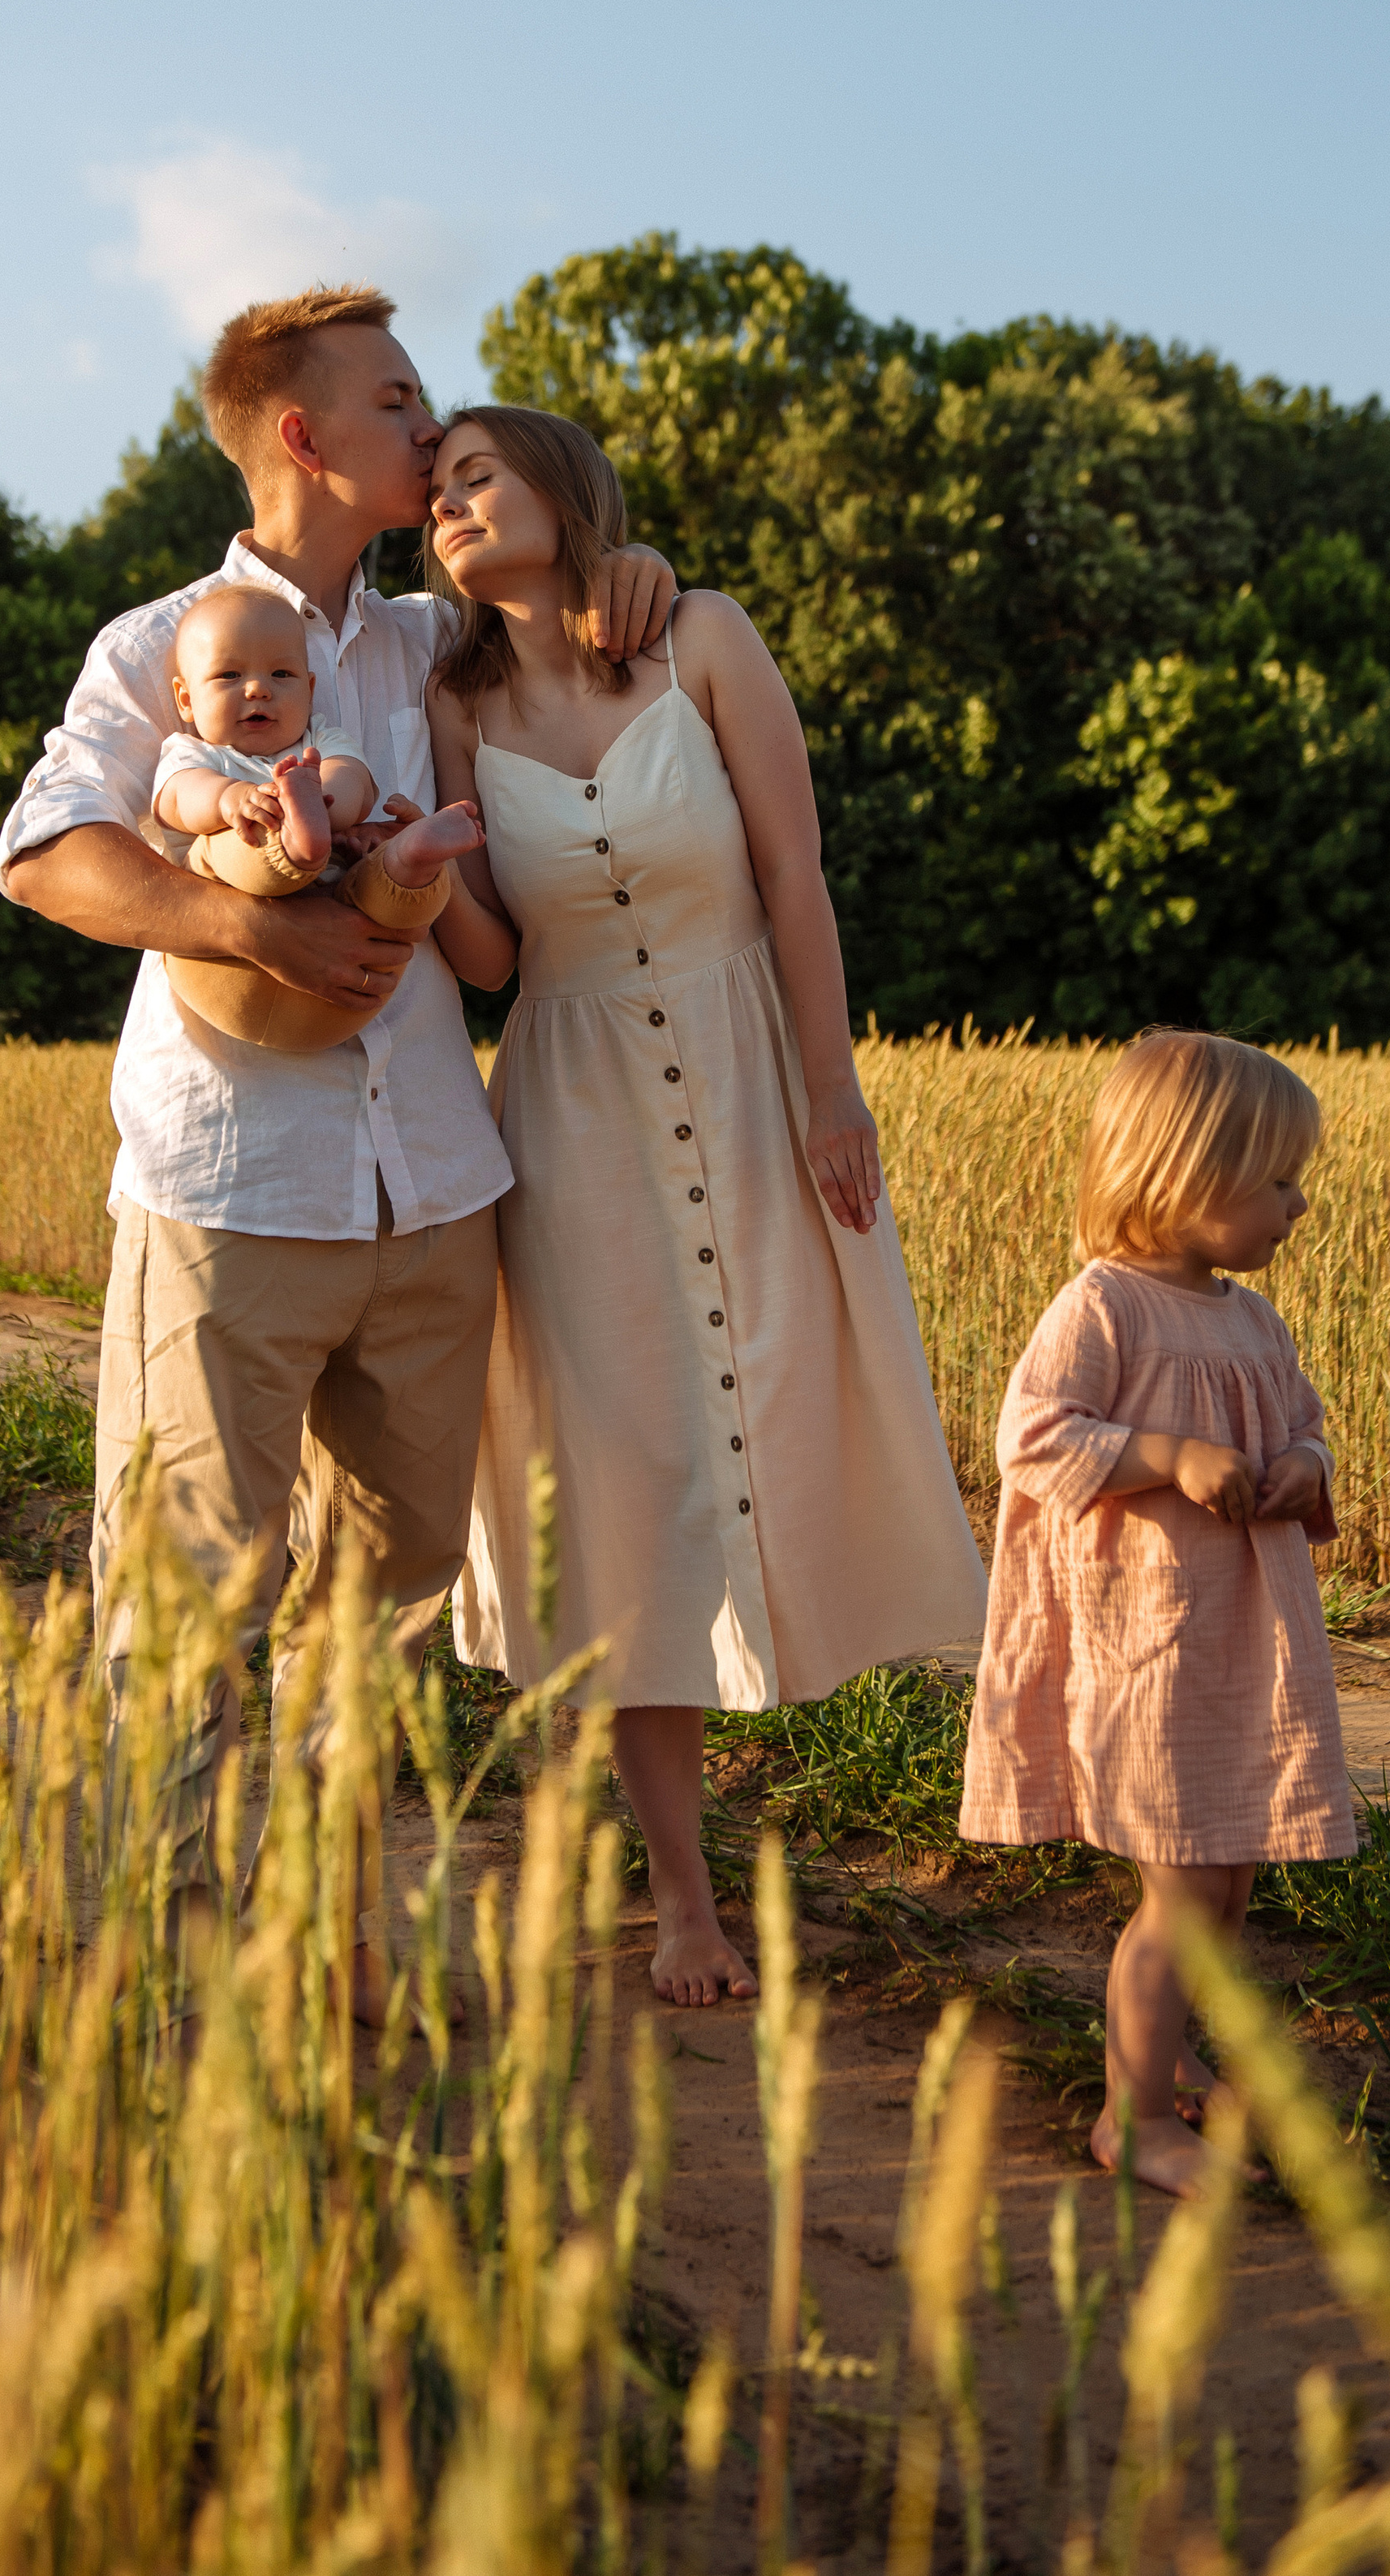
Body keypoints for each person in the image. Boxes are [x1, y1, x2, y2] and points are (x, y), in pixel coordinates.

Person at [0, 290, 674, 2008]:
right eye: (395, 400)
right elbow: (47, 853)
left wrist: (625, 573)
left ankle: (333, 1930)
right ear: (302, 435)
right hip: (230, 1188)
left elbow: (577, 643)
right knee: (190, 1590)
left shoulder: (428, 649)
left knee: (380, 1602)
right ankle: (172, 1960)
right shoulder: (165, 639)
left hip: (434, 1189)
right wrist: (248, 937)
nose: (427, 424)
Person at [417, 404, 989, 2010]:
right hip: (568, 1118)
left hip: (750, 1078)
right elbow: (488, 961)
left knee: (800, 1409)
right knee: (616, 1485)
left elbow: (795, 878)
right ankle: (681, 1895)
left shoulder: (707, 639)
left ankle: (979, 1801)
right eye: (434, 495)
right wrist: (416, 868)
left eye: (476, 474)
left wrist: (830, 1089)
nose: (449, 507)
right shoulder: (451, 697)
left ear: (556, 480)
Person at [958, 1029, 1353, 2197]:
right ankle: (1132, 2117)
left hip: (1240, 1633)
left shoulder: (1251, 1321)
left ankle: (1168, 2052)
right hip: (1146, 1642)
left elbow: (1304, 1418)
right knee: (1180, 1888)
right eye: (1277, 1180)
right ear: (1186, 1174)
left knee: (1226, 1875)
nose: (1298, 1204)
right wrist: (1167, 1454)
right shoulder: (1103, 1305)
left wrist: (1301, 1464)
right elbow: (1029, 1434)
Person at [153, 581, 486, 1052]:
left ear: (310, 689)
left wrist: (323, 801)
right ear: (186, 699)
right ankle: (293, 841)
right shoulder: (197, 756)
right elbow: (177, 799)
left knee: (382, 885)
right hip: (235, 965)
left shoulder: (317, 743)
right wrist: (231, 799)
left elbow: (354, 780)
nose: (257, 689)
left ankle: (412, 859)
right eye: (228, 676)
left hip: (348, 957)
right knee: (227, 847)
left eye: (282, 675)